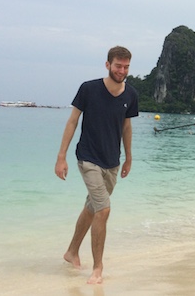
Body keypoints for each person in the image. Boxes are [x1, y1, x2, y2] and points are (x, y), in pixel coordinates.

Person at [54, 46, 139, 284]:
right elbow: (72, 122)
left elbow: (126, 127)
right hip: (88, 158)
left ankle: (71, 252)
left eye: (126, 67)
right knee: (103, 209)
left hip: (112, 161)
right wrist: (61, 157)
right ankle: (98, 268)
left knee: (92, 207)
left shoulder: (130, 95)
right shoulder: (88, 89)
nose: (122, 71)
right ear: (107, 65)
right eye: (118, 66)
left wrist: (129, 157)